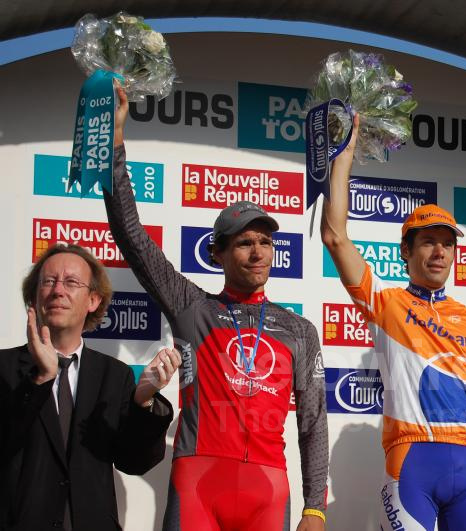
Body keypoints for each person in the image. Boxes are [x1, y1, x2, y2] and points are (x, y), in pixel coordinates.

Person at [106, 87, 328, 530]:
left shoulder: (299, 329)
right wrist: (114, 141)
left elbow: (313, 422)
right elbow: (132, 236)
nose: (258, 252)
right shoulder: (192, 306)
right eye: (245, 242)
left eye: (266, 241)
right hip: (199, 481)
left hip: (268, 490)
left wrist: (315, 507)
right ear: (219, 254)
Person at [320, 114, 466, 531]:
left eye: (447, 244)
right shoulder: (385, 303)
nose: (440, 252)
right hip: (411, 461)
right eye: (428, 241)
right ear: (406, 251)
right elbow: (335, 236)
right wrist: (345, 155)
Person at [0, 243, 177, 530]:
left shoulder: (114, 375)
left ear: (93, 300)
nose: (58, 290)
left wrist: (143, 401)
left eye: (71, 282)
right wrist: (41, 380)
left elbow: (133, 461)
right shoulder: (4, 368)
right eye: (48, 281)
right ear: (34, 296)